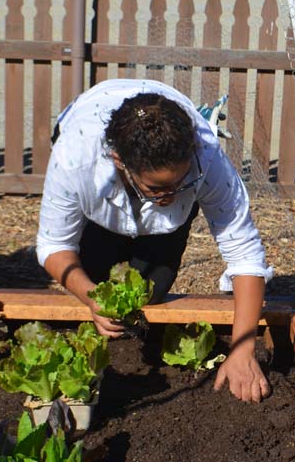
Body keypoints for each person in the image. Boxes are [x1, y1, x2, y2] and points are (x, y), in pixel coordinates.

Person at [36, 78, 273, 403]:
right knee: (98, 278)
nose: (171, 194)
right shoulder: (75, 159)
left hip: (158, 178)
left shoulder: (206, 158)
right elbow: (55, 246)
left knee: (151, 290)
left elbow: (245, 253)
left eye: (180, 182)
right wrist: (91, 297)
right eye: (157, 188)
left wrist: (242, 349)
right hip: (93, 151)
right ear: (120, 162)